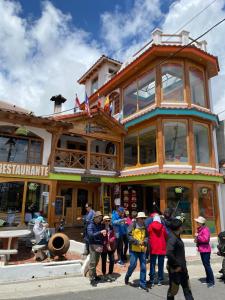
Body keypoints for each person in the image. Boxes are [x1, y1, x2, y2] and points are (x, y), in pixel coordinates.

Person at [166, 218, 194, 300]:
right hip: (176, 270)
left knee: (187, 290)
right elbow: (169, 253)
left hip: (182, 268)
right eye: (182, 226)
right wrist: (176, 266)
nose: (183, 227)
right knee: (173, 291)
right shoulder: (172, 238)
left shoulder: (176, 235)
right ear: (179, 228)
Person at [125, 212, 149, 292]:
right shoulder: (132, 225)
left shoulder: (145, 226)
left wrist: (145, 242)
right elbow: (128, 235)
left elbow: (147, 237)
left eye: (144, 218)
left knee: (143, 267)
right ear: (138, 218)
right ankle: (127, 275)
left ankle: (143, 284)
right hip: (134, 249)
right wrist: (137, 242)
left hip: (142, 249)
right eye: (142, 218)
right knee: (133, 265)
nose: (143, 220)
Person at [194, 216, 215, 288]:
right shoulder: (200, 229)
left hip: (206, 249)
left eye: (198, 222)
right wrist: (196, 238)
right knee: (205, 265)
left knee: (207, 265)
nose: (197, 223)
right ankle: (208, 279)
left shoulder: (205, 229)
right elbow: (198, 239)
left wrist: (198, 236)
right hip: (202, 249)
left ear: (201, 223)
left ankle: (211, 282)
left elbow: (205, 239)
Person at [87, 211, 106, 287]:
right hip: (93, 244)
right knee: (92, 261)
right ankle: (91, 278)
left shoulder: (100, 225)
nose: (100, 219)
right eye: (99, 218)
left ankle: (94, 275)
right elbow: (91, 235)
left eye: (101, 218)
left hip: (99, 244)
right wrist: (100, 232)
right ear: (95, 218)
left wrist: (103, 233)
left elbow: (103, 231)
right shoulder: (90, 225)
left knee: (97, 260)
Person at [148, 215, 167, 287]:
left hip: (153, 247)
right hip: (161, 247)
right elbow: (165, 235)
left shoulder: (150, 226)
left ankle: (152, 280)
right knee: (160, 264)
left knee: (152, 264)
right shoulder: (163, 227)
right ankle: (160, 280)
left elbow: (148, 234)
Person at [101, 216, 116, 282]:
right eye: (106, 220)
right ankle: (104, 274)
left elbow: (114, 236)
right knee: (104, 261)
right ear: (103, 221)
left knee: (112, 260)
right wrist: (107, 244)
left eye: (109, 220)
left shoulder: (111, 227)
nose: (107, 222)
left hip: (111, 246)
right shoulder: (101, 228)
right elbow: (101, 238)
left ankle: (110, 274)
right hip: (104, 247)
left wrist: (111, 240)